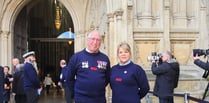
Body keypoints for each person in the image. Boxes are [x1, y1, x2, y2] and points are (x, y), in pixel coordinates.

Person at [66, 30, 111, 103]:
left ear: (100, 42)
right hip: (81, 99)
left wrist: (97, 86)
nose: (95, 42)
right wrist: (77, 93)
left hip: (99, 99)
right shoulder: (76, 58)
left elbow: (107, 78)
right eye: (93, 39)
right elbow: (69, 79)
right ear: (87, 40)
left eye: (98, 40)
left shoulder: (105, 59)